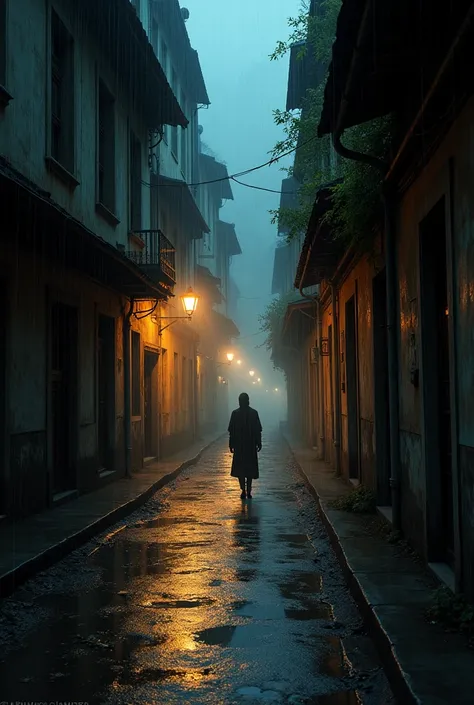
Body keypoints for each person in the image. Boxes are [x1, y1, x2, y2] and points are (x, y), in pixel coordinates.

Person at [228, 392, 262, 499]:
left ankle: (243, 489)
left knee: (240, 469)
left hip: (239, 446)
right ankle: (249, 490)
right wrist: (258, 442)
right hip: (250, 445)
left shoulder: (235, 414)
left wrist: (231, 443)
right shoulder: (254, 413)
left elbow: (231, 431)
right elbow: (257, 430)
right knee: (249, 469)